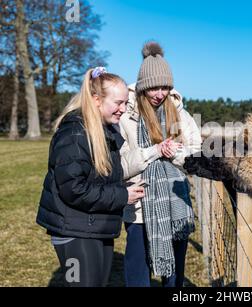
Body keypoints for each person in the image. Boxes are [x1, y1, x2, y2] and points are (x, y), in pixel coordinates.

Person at [36, 67, 145, 287]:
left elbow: (97, 178)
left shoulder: (106, 132)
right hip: (74, 232)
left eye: (126, 103)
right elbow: (74, 189)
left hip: (95, 226)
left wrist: (124, 186)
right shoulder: (75, 134)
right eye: (118, 103)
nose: (123, 109)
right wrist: (122, 196)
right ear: (96, 100)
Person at [119, 41, 202, 287]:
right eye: (154, 87)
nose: (159, 94)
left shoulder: (181, 115)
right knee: (138, 272)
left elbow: (195, 155)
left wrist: (173, 153)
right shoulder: (127, 117)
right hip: (138, 206)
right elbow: (120, 165)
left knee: (174, 274)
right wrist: (155, 151)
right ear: (143, 87)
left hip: (176, 203)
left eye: (165, 87)